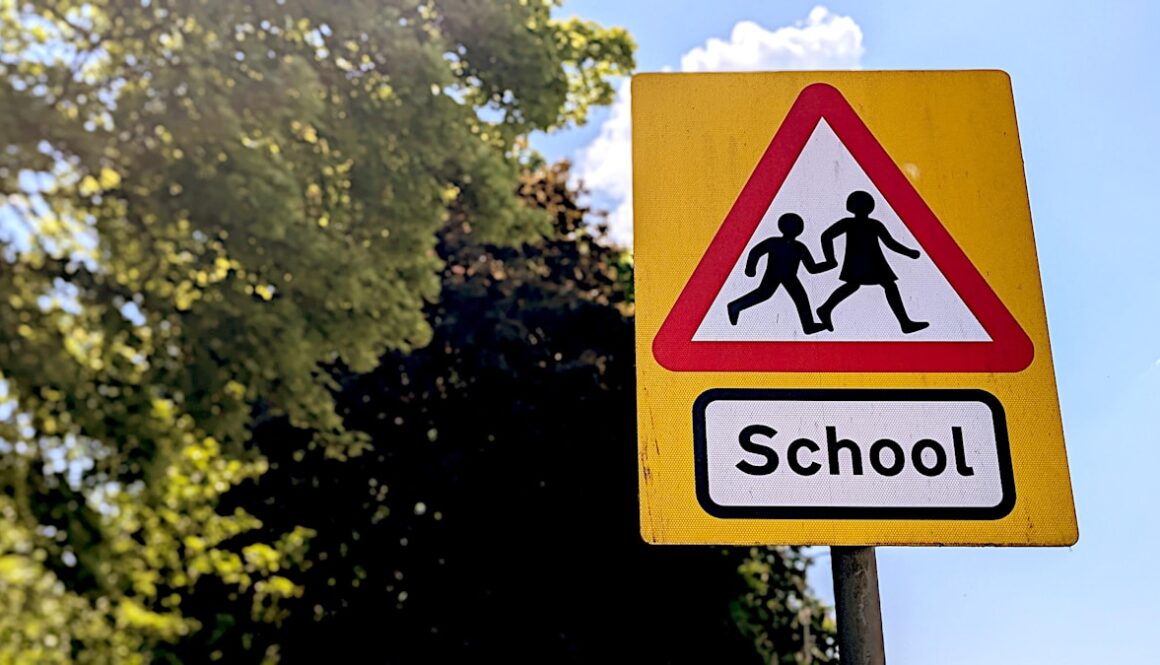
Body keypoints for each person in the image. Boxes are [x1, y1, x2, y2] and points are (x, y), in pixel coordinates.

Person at [816, 190, 929, 334]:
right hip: (862, 262)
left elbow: (890, 243)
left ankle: (825, 308)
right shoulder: (852, 223)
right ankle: (905, 323)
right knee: (874, 285)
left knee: (867, 285)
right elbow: (826, 236)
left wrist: (909, 252)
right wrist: (830, 259)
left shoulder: (872, 224)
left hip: (872, 261)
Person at [727, 212, 829, 334]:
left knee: (798, 297)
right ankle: (735, 306)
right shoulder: (777, 243)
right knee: (766, 294)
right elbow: (756, 252)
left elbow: (812, 268)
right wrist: (750, 269)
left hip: (788, 276)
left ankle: (808, 325)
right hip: (774, 275)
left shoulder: (798, 247)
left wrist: (827, 265)